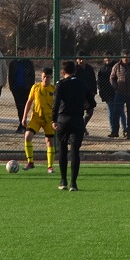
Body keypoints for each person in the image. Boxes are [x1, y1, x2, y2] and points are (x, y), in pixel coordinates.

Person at [52, 60, 95, 190]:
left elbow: (55, 104)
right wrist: (83, 105)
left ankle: (63, 181)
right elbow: (92, 103)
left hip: (63, 120)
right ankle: (73, 184)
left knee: (63, 150)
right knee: (75, 151)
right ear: (75, 71)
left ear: (63, 72)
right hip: (77, 120)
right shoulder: (82, 84)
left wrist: (54, 120)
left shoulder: (60, 84)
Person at [21, 67, 56, 172]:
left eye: (48, 77)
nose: (45, 79)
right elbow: (29, 101)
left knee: (50, 141)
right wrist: (24, 117)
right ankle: (30, 162)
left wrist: (56, 119)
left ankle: (50, 166)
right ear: (41, 76)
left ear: (51, 78)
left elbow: (57, 105)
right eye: (44, 76)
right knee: (27, 136)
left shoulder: (54, 90)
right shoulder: (35, 87)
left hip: (48, 119)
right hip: (36, 118)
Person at [110, 54, 130, 140]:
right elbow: (112, 77)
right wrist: (115, 86)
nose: (126, 58)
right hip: (119, 93)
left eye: (128, 56)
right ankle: (114, 131)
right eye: (124, 56)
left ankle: (129, 133)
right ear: (121, 57)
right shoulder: (117, 66)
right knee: (116, 112)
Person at [8, 55, 36, 131]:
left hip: (26, 88)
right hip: (16, 88)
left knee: (25, 106)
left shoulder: (29, 63)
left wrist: (30, 86)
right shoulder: (13, 63)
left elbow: (32, 75)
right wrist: (12, 87)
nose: (21, 54)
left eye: (23, 52)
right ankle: (21, 123)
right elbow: (10, 76)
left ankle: (24, 123)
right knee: (19, 106)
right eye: (20, 52)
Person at [96, 54, 117, 135]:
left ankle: (125, 129)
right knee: (111, 113)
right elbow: (99, 81)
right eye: (106, 58)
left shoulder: (116, 66)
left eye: (109, 57)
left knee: (120, 112)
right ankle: (113, 130)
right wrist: (101, 91)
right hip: (107, 93)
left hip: (116, 92)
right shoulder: (102, 69)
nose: (108, 59)